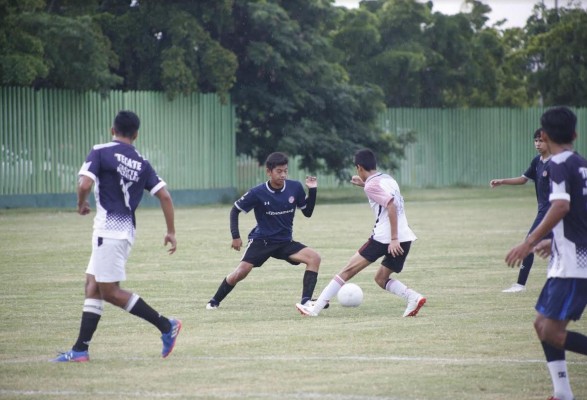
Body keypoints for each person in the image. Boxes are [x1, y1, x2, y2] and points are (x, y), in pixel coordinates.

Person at [51, 110, 181, 362]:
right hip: (124, 231)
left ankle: (167, 325)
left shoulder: (100, 151)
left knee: (110, 292)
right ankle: (80, 350)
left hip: (108, 231)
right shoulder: (142, 163)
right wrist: (171, 231)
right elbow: (165, 196)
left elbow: (84, 184)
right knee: (92, 286)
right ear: (136, 135)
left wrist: (81, 203)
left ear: (113, 130)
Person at [506, 106, 587, 400]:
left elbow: (561, 206)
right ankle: (562, 392)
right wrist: (552, 242)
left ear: (546, 135)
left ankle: (563, 392)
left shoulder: (557, 164)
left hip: (574, 264)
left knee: (551, 331)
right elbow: (580, 214)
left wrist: (529, 242)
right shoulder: (581, 164)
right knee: (542, 325)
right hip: (566, 258)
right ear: (575, 134)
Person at [296, 148, 426, 318]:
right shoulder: (388, 179)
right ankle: (413, 297)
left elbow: (391, 205)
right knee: (381, 278)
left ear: (359, 168)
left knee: (347, 271)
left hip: (385, 239)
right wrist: (365, 184)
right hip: (405, 237)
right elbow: (385, 194)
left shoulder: (371, 186)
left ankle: (314, 308)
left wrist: (393, 238)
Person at [206, 152, 322, 310]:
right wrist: (235, 236)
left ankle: (306, 302)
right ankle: (214, 301)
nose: (283, 175)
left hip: (284, 242)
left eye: (285, 171)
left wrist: (312, 190)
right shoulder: (257, 192)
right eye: (279, 171)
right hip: (262, 241)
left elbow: (307, 212)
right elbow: (235, 210)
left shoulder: (295, 187)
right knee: (241, 272)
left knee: (314, 258)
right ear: (269, 172)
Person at [490, 129, 552, 293]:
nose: (538, 144)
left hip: (552, 212)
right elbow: (524, 179)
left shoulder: (556, 164)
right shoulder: (537, 161)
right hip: (543, 211)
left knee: (530, 243)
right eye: (536, 140)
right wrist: (502, 181)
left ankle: (520, 285)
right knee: (560, 247)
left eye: (541, 140)